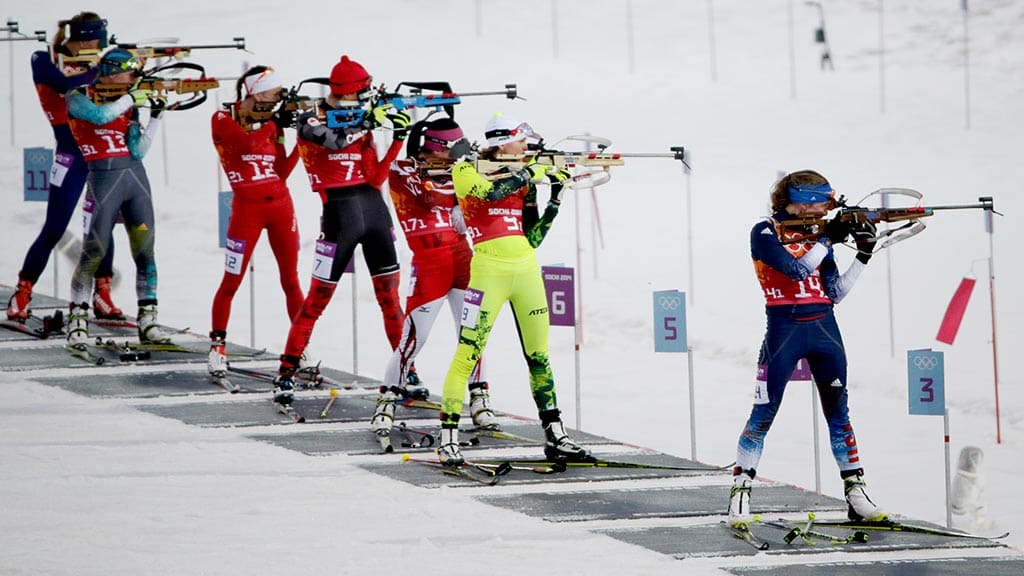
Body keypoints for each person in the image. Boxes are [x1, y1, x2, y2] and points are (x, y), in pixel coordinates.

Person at [727, 169, 886, 529]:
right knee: (763, 415)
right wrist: (827, 239)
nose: (816, 212)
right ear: (789, 200)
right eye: (808, 204)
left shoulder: (818, 238)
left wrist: (862, 255)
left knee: (839, 413)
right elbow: (796, 271)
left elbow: (834, 293)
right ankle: (740, 491)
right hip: (784, 331)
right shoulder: (764, 231)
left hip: (825, 330)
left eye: (821, 205)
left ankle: (856, 494)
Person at [435, 113, 587, 467]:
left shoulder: (523, 178)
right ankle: (448, 439)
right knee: (467, 355)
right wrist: (529, 173)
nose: (526, 147)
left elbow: (531, 237)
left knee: (540, 356)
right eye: (521, 141)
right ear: (501, 142)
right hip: (488, 272)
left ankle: (555, 433)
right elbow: (490, 192)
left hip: (526, 271)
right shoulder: (465, 169)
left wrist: (555, 197)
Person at [270, 55, 410, 406]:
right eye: (360, 94)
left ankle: (406, 370)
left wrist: (397, 137)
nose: (364, 101)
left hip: (375, 211)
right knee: (317, 299)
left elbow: (376, 176)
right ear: (345, 93)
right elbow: (335, 141)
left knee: (390, 300)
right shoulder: (310, 118)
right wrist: (370, 121)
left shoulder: (360, 119)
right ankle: (286, 371)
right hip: (338, 217)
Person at [371, 116, 492, 436]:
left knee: (471, 333)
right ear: (434, 149)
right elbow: (430, 197)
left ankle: (479, 397)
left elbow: (482, 203)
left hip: (463, 257)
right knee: (415, 336)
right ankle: (387, 402)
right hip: (429, 262)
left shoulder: (461, 170)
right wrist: (463, 179)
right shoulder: (402, 169)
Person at [7, 12, 124, 322]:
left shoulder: (97, 61)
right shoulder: (44, 58)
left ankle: (103, 293)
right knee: (55, 227)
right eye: (95, 40)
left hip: (99, 152)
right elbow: (60, 83)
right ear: (85, 39)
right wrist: (100, 72)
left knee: (102, 226)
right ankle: (22, 292)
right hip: (70, 154)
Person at [64, 47, 169, 346]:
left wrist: (156, 118)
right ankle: (77, 319)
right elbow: (99, 116)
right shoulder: (77, 96)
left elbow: (138, 150)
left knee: (145, 253)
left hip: (136, 179)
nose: (134, 78)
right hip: (102, 180)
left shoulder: (128, 104)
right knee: (92, 254)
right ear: (111, 72)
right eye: (129, 73)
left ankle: (148, 319)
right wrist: (130, 98)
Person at [207, 66, 304, 379]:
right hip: (246, 210)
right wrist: (272, 123)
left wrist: (303, 136)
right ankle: (217, 347)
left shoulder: (272, 123)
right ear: (257, 92)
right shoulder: (222, 118)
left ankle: (300, 348)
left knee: (291, 280)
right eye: (274, 94)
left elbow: (281, 170)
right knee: (231, 280)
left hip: (280, 207)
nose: (277, 100)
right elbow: (246, 145)